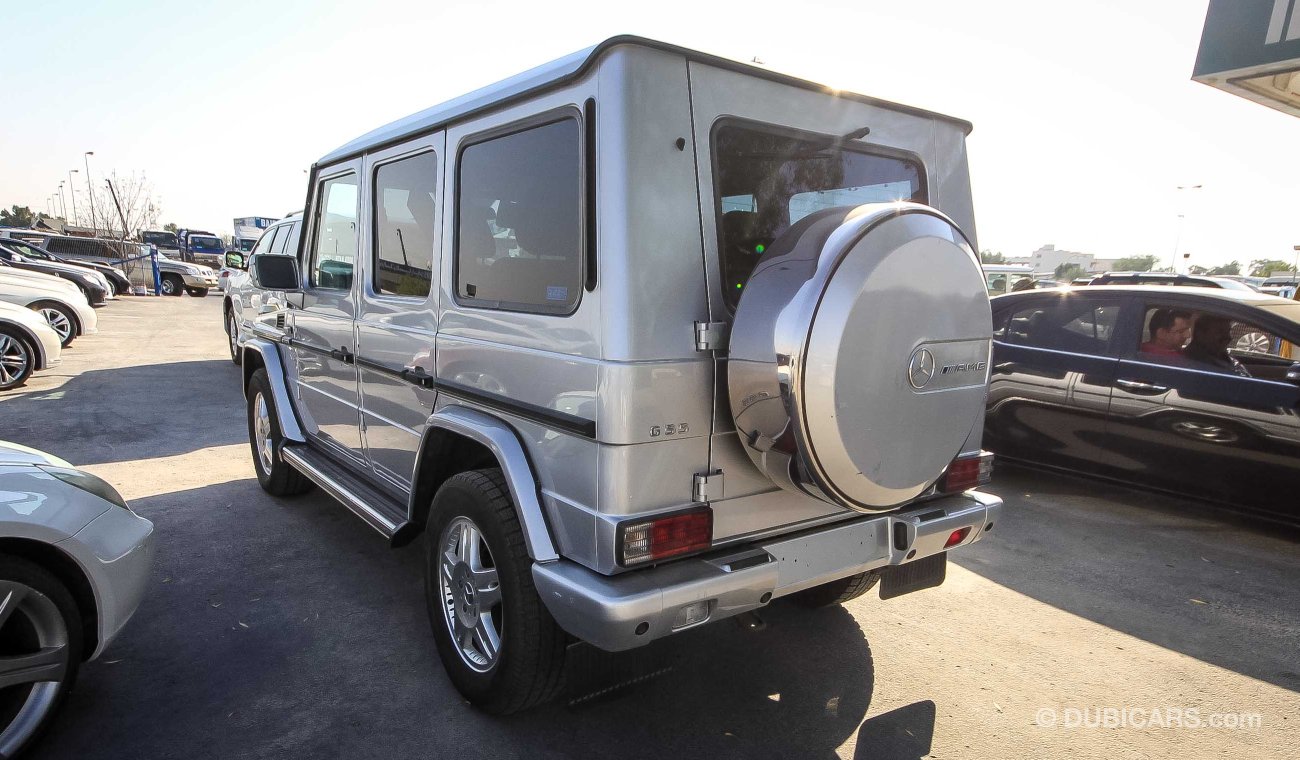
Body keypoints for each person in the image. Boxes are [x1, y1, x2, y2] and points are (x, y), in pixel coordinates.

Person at [1182, 314, 1251, 377]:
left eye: (1228, 331)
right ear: (1201, 334)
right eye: (1220, 332)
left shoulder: (1219, 355)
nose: (1228, 337)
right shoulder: (1194, 364)